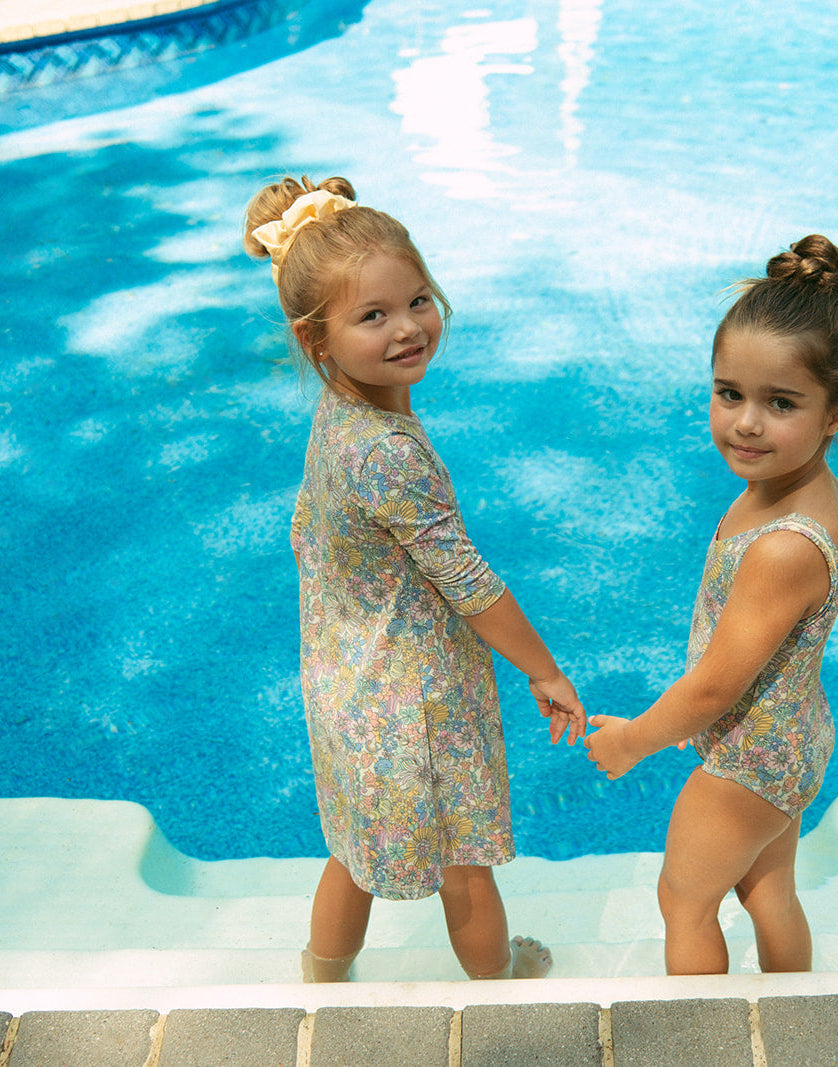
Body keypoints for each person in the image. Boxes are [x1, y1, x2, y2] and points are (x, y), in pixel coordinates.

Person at [243, 175, 586, 982]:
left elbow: (304, 532)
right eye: (373, 316)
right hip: (416, 695)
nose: (407, 328)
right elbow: (467, 582)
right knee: (466, 862)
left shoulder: (339, 415)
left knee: (350, 852)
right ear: (316, 338)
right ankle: (497, 988)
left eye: (417, 299)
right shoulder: (389, 450)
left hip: (347, 684)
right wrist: (542, 668)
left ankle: (322, 980)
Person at [584, 235, 838, 976]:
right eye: (728, 393)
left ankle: (700, 1041)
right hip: (791, 737)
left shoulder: (784, 547)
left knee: (684, 901)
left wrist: (634, 739)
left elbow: (716, 684)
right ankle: (796, 1016)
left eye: (780, 403)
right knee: (767, 891)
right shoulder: (797, 485)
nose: (745, 422)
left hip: (747, 759)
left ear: (836, 413)